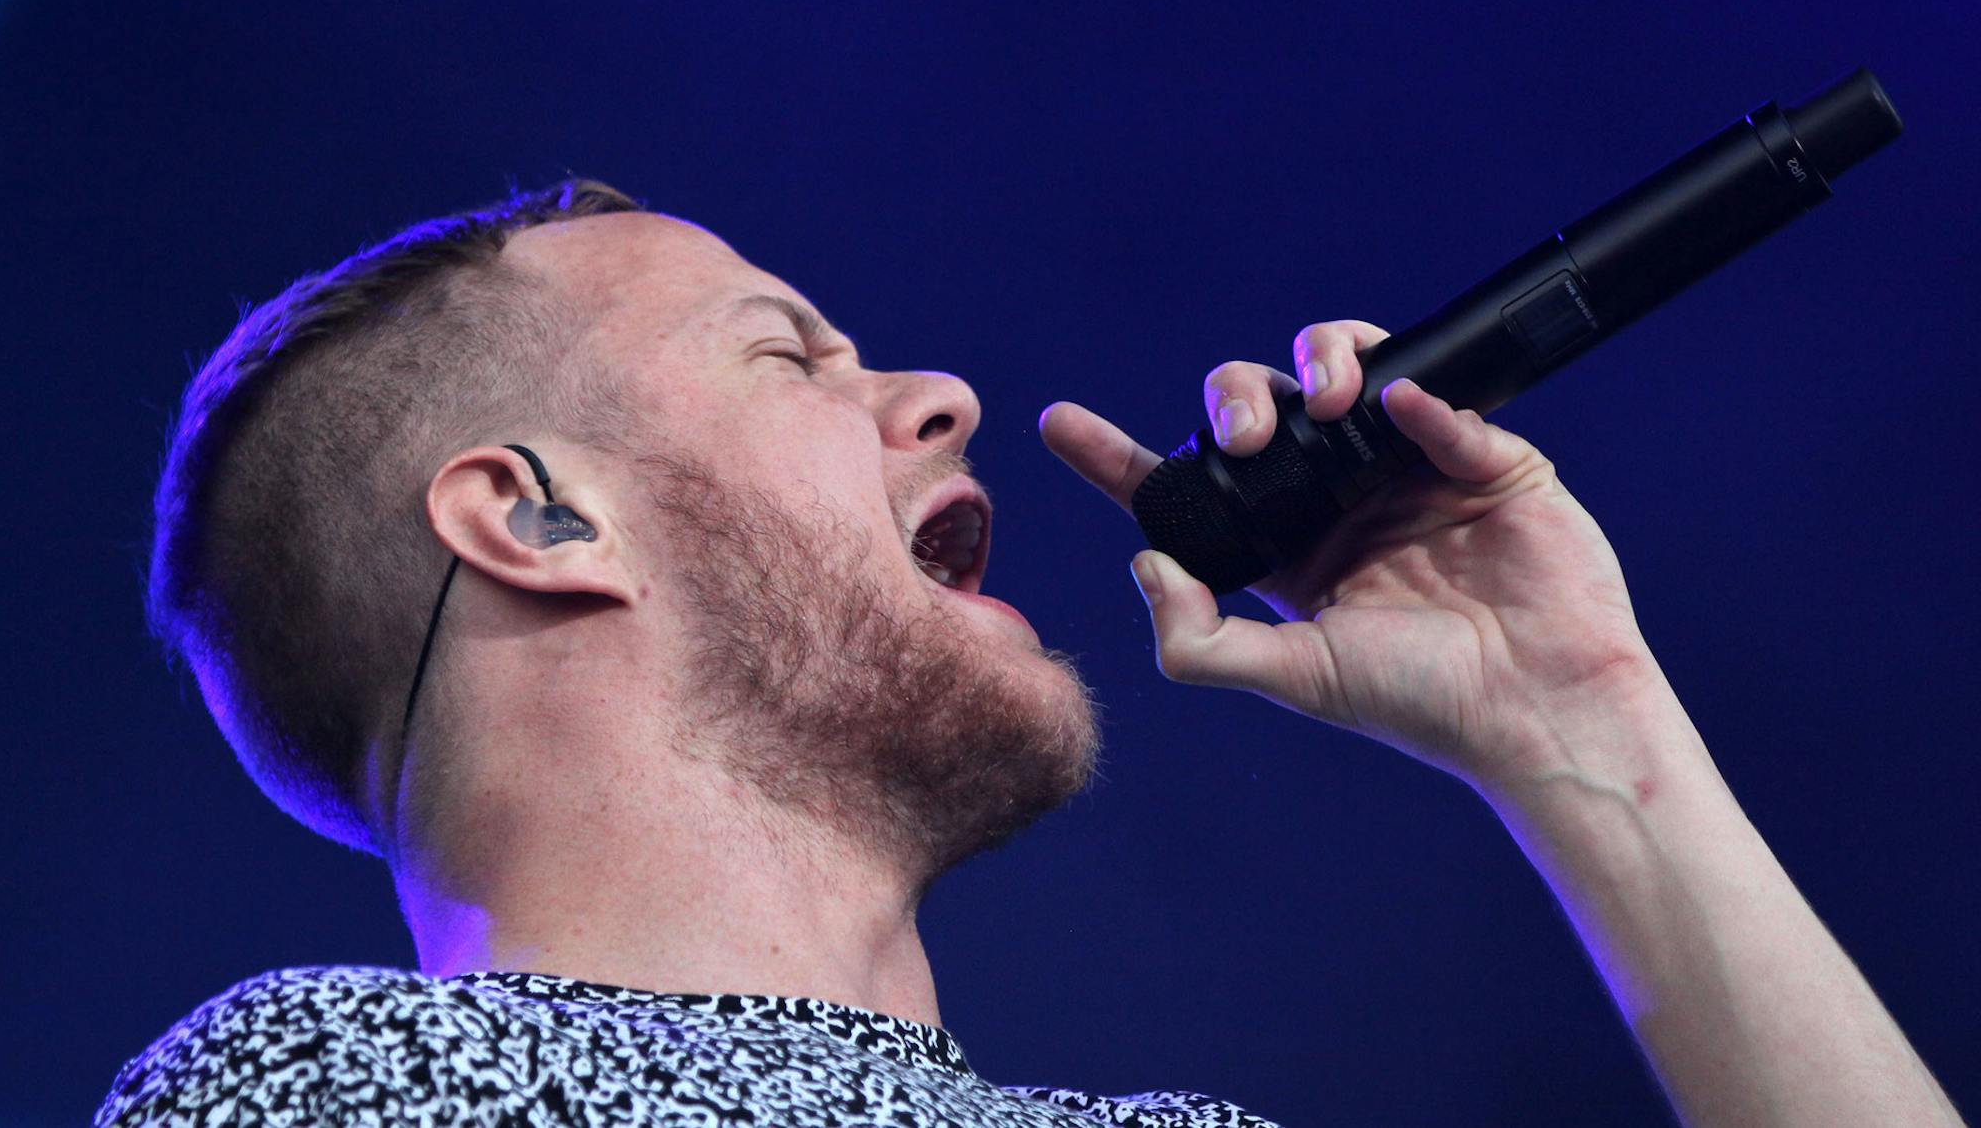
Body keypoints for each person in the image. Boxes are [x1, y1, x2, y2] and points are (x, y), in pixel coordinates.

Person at [96, 179, 1963, 1127]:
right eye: (787, 353)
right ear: (538, 516)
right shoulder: (331, 1081)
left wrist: (1584, 730)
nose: (937, 395)